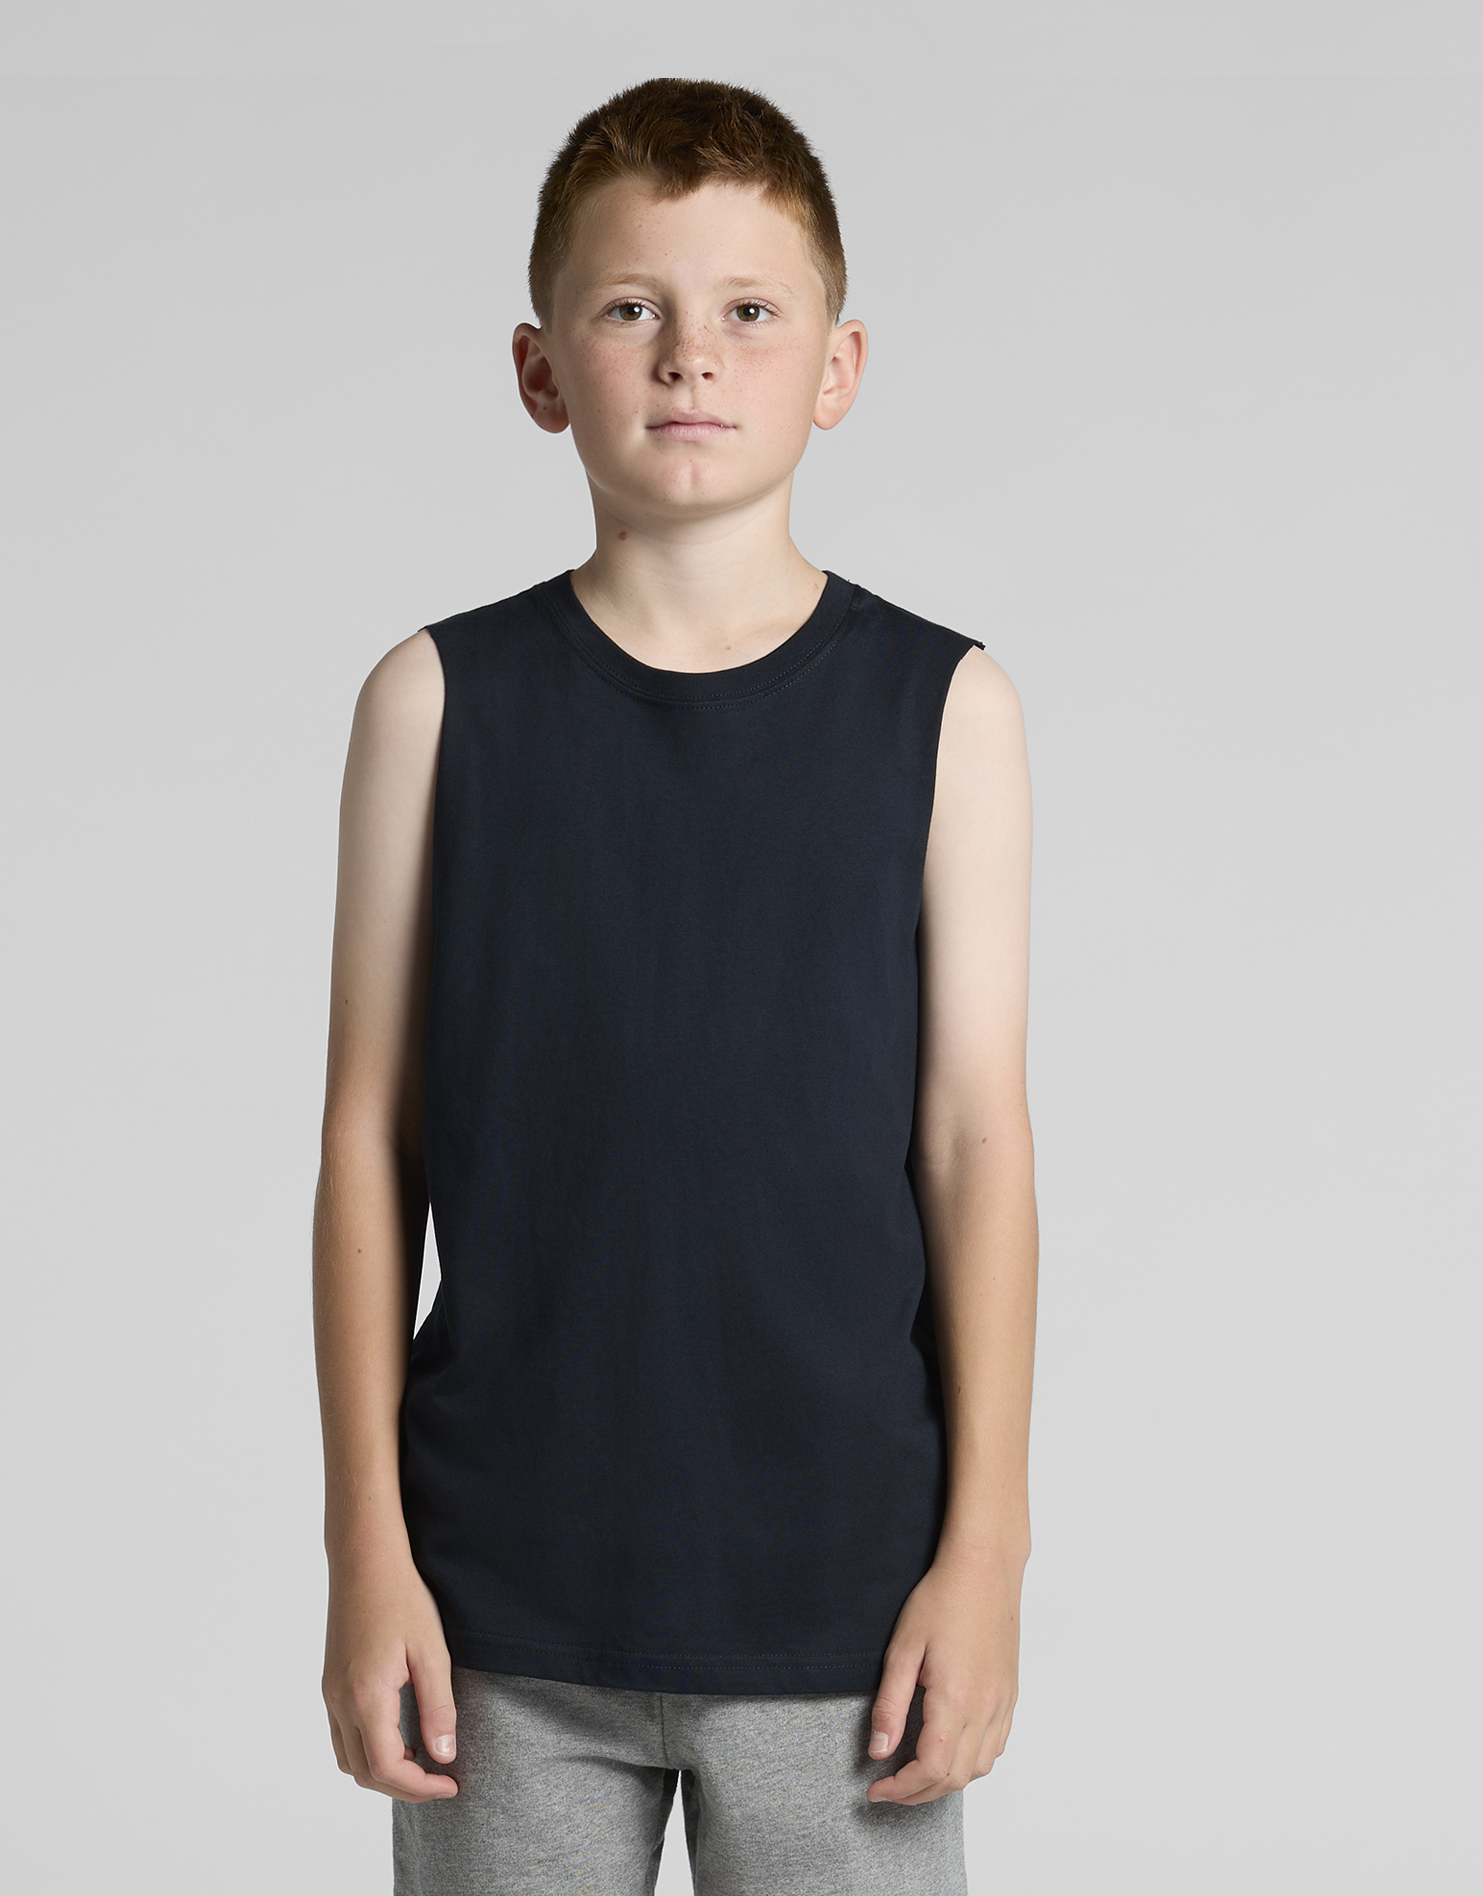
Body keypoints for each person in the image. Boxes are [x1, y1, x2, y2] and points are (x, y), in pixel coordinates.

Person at [312, 76, 1037, 1895]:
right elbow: (366, 1146)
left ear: (838, 366)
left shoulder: (946, 711)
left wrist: (989, 1553)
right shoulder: (433, 703)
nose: (692, 355)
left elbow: (976, 1146)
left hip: (848, 1606)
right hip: (500, 1607)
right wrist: (364, 1550)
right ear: (541, 368)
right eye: (632, 307)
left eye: (749, 311)